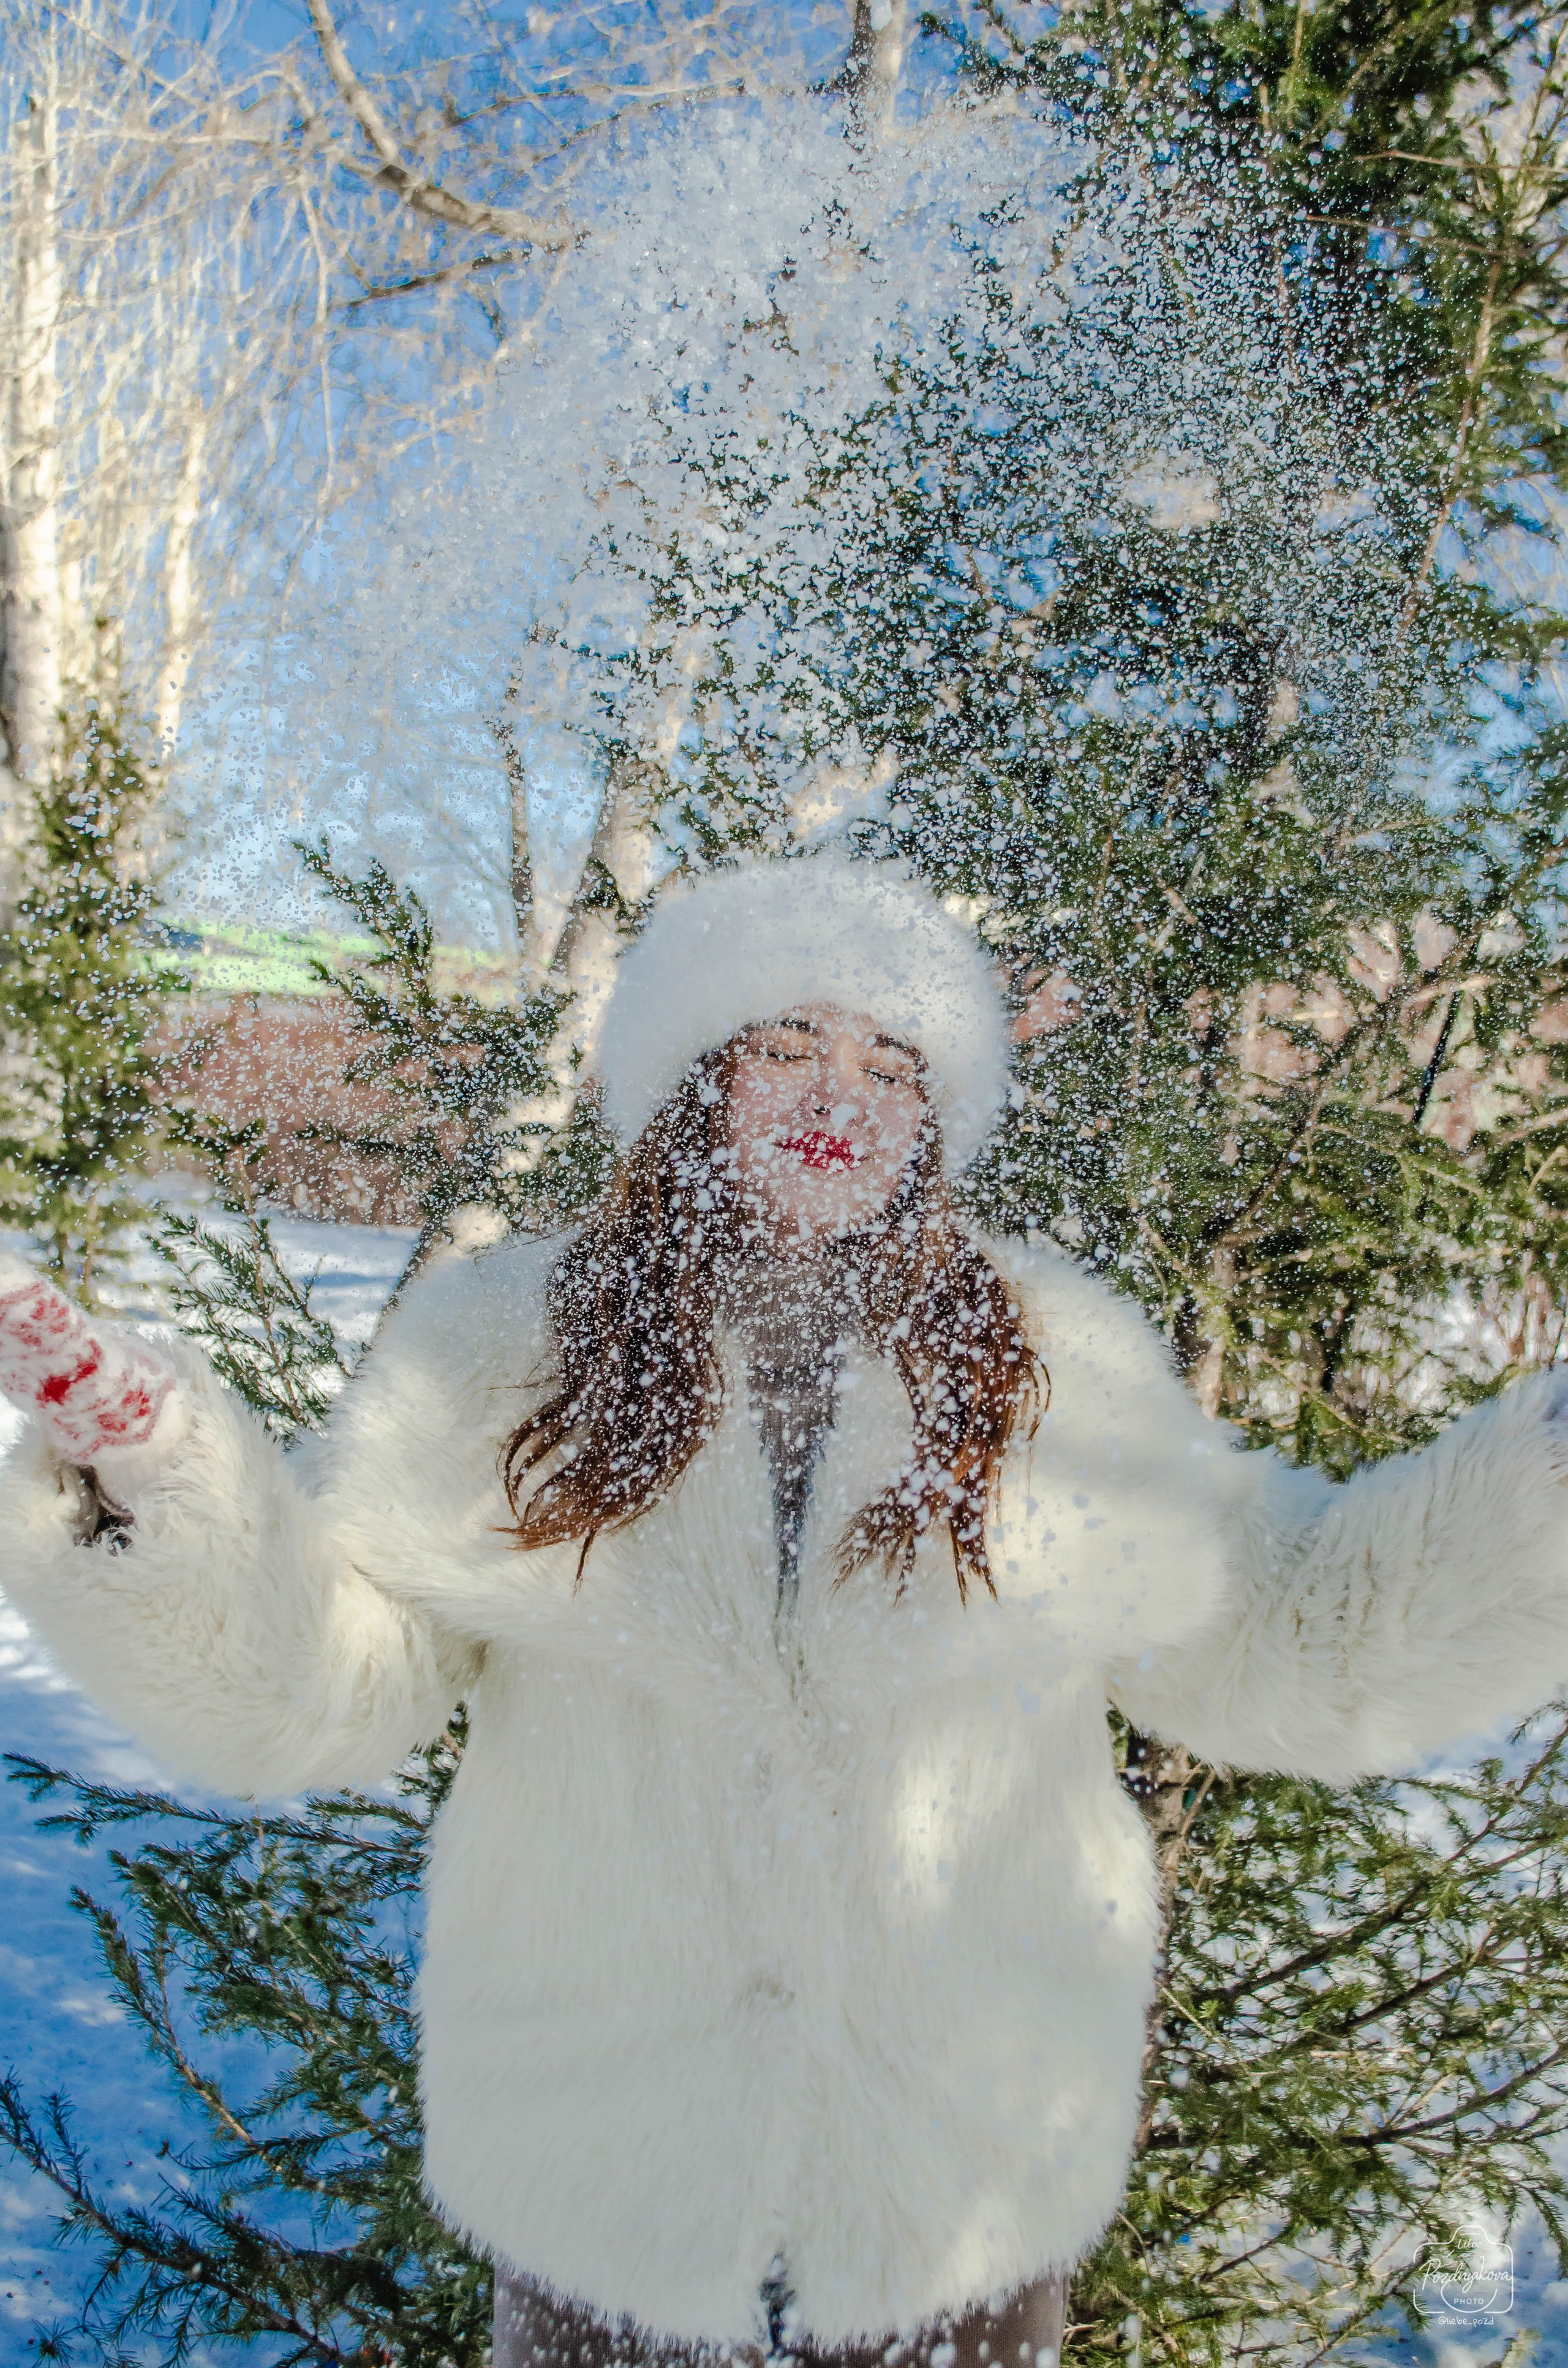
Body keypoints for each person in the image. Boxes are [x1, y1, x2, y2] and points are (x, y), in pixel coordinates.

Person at [4, 853, 1568, 2368]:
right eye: (785, 1048)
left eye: (894, 1067)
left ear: (938, 1117)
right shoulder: (509, 1343)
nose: (843, 1096)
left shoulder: (1052, 1363)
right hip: (598, 2144)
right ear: (689, 1084)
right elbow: (319, 1688)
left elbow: (1286, 1638)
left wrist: (1544, 1479)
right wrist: (162, 1479)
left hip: (958, 2154)